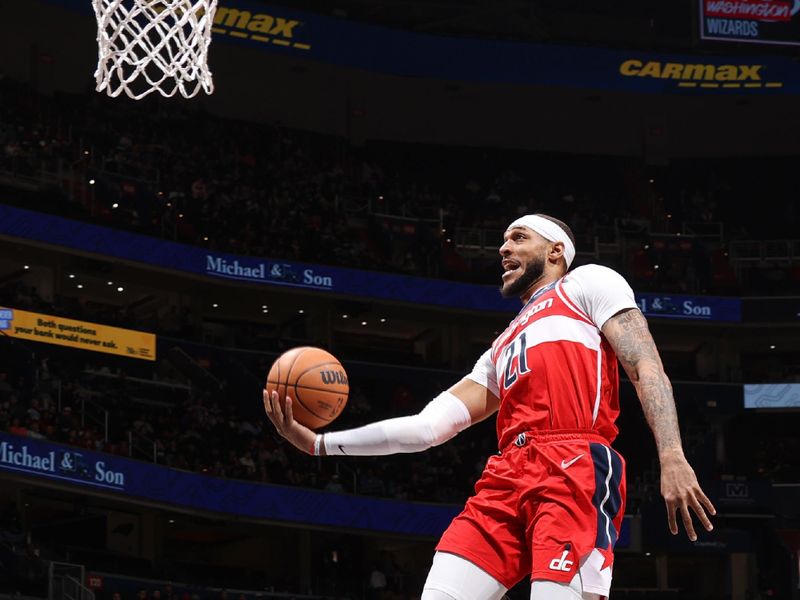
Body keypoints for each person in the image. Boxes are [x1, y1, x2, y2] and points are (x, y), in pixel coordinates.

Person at [264, 214, 716, 600]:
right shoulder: (500, 346)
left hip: (573, 465)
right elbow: (427, 428)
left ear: (556, 251)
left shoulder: (587, 283)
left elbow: (645, 367)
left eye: (519, 237)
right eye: (503, 240)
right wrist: (320, 444)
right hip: (505, 476)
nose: (504, 247)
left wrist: (672, 454)